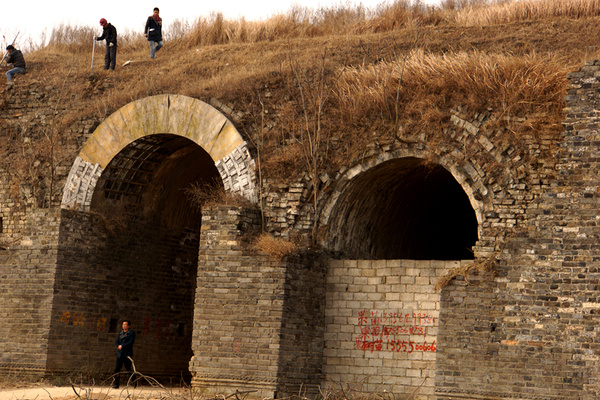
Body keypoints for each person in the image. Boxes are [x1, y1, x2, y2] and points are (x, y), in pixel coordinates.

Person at [112, 320, 136, 388]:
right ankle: (116, 384)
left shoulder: (131, 333)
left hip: (127, 354)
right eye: (123, 324)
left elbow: (131, 342)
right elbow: (117, 342)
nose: (124, 326)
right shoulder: (120, 333)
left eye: (125, 324)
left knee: (128, 369)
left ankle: (134, 381)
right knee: (117, 369)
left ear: (128, 326)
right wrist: (118, 346)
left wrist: (122, 346)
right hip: (120, 354)